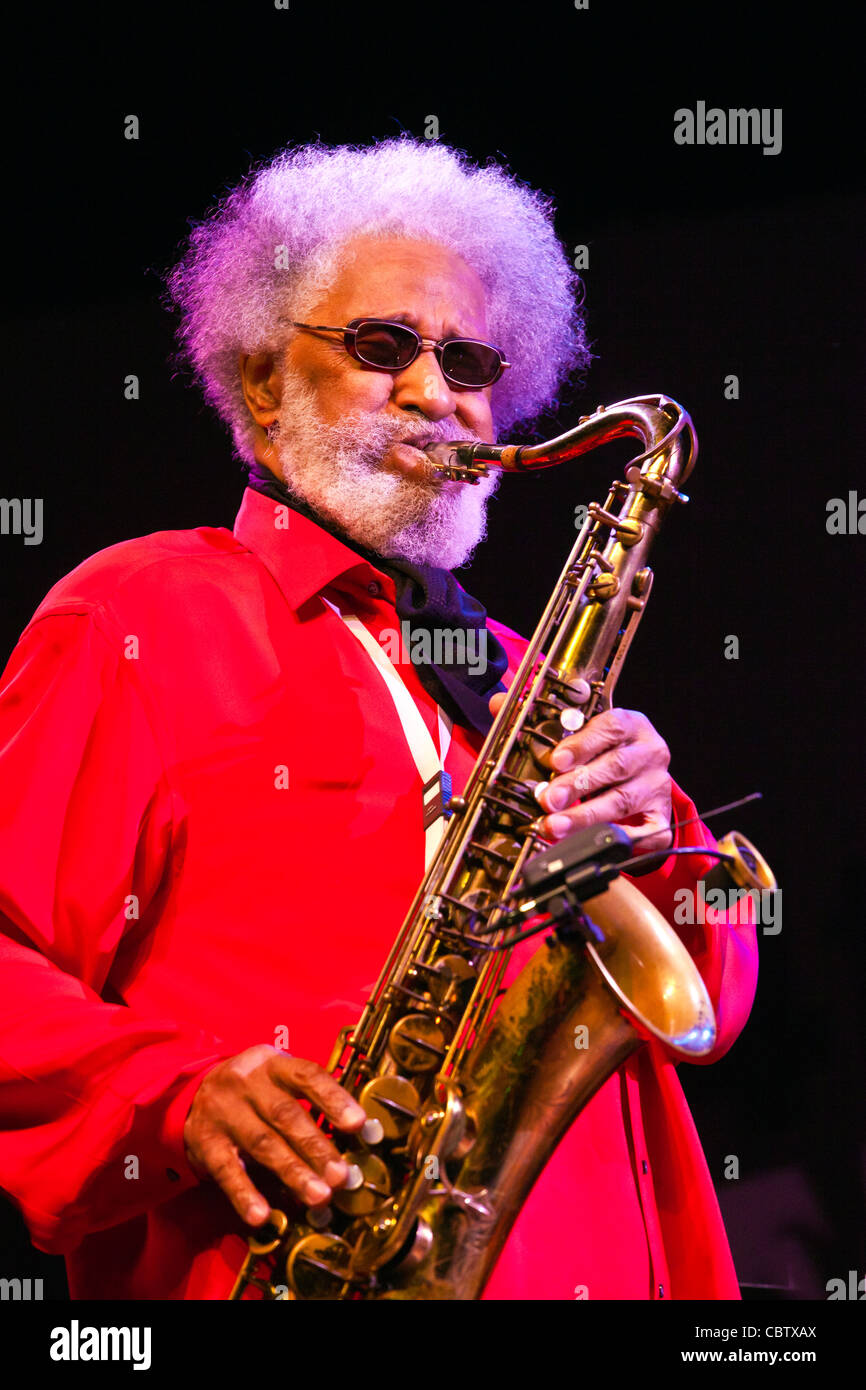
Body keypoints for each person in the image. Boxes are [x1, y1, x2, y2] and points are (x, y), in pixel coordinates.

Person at [0, 138, 758, 1300]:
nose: (432, 393)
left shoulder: (522, 674)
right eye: (380, 345)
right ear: (261, 381)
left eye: (466, 360)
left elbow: (708, 989)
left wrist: (661, 842)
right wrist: (178, 1090)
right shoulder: (139, 609)